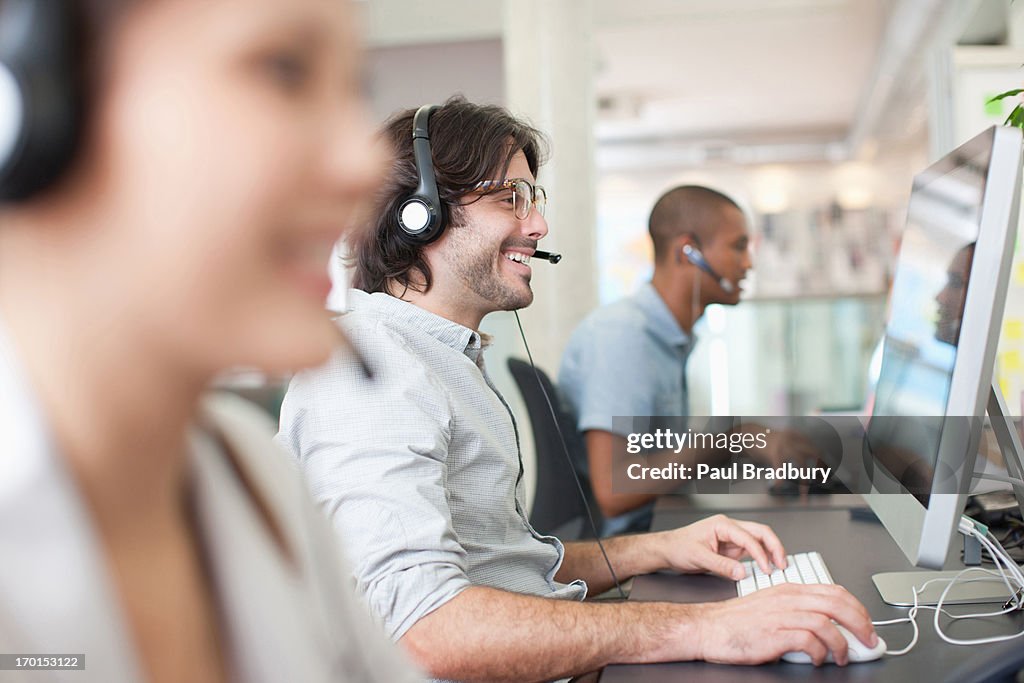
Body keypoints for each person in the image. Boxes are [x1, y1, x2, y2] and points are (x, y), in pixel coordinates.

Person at [276, 97, 878, 682]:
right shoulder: (366, 371)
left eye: (532, 199)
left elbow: (506, 564)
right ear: (421, 212)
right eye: (511, 199)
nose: (537, 224)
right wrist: (701, 628)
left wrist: (661, 549)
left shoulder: (439, 360)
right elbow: (421, 626)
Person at [0, 1, 419, 682]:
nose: (364, 163)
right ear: (30, 99)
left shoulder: (254, 476)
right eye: (284, 70)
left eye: (355, 89)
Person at [559, 186, 817, 533]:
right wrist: (731, 441)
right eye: (738, 247)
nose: (749, 263)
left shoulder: (666, 337)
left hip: (659, 521)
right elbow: (614, 490)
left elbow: (659, 458)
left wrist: (746, 438)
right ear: (688, 252)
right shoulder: (622, 338)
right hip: (631, 542)